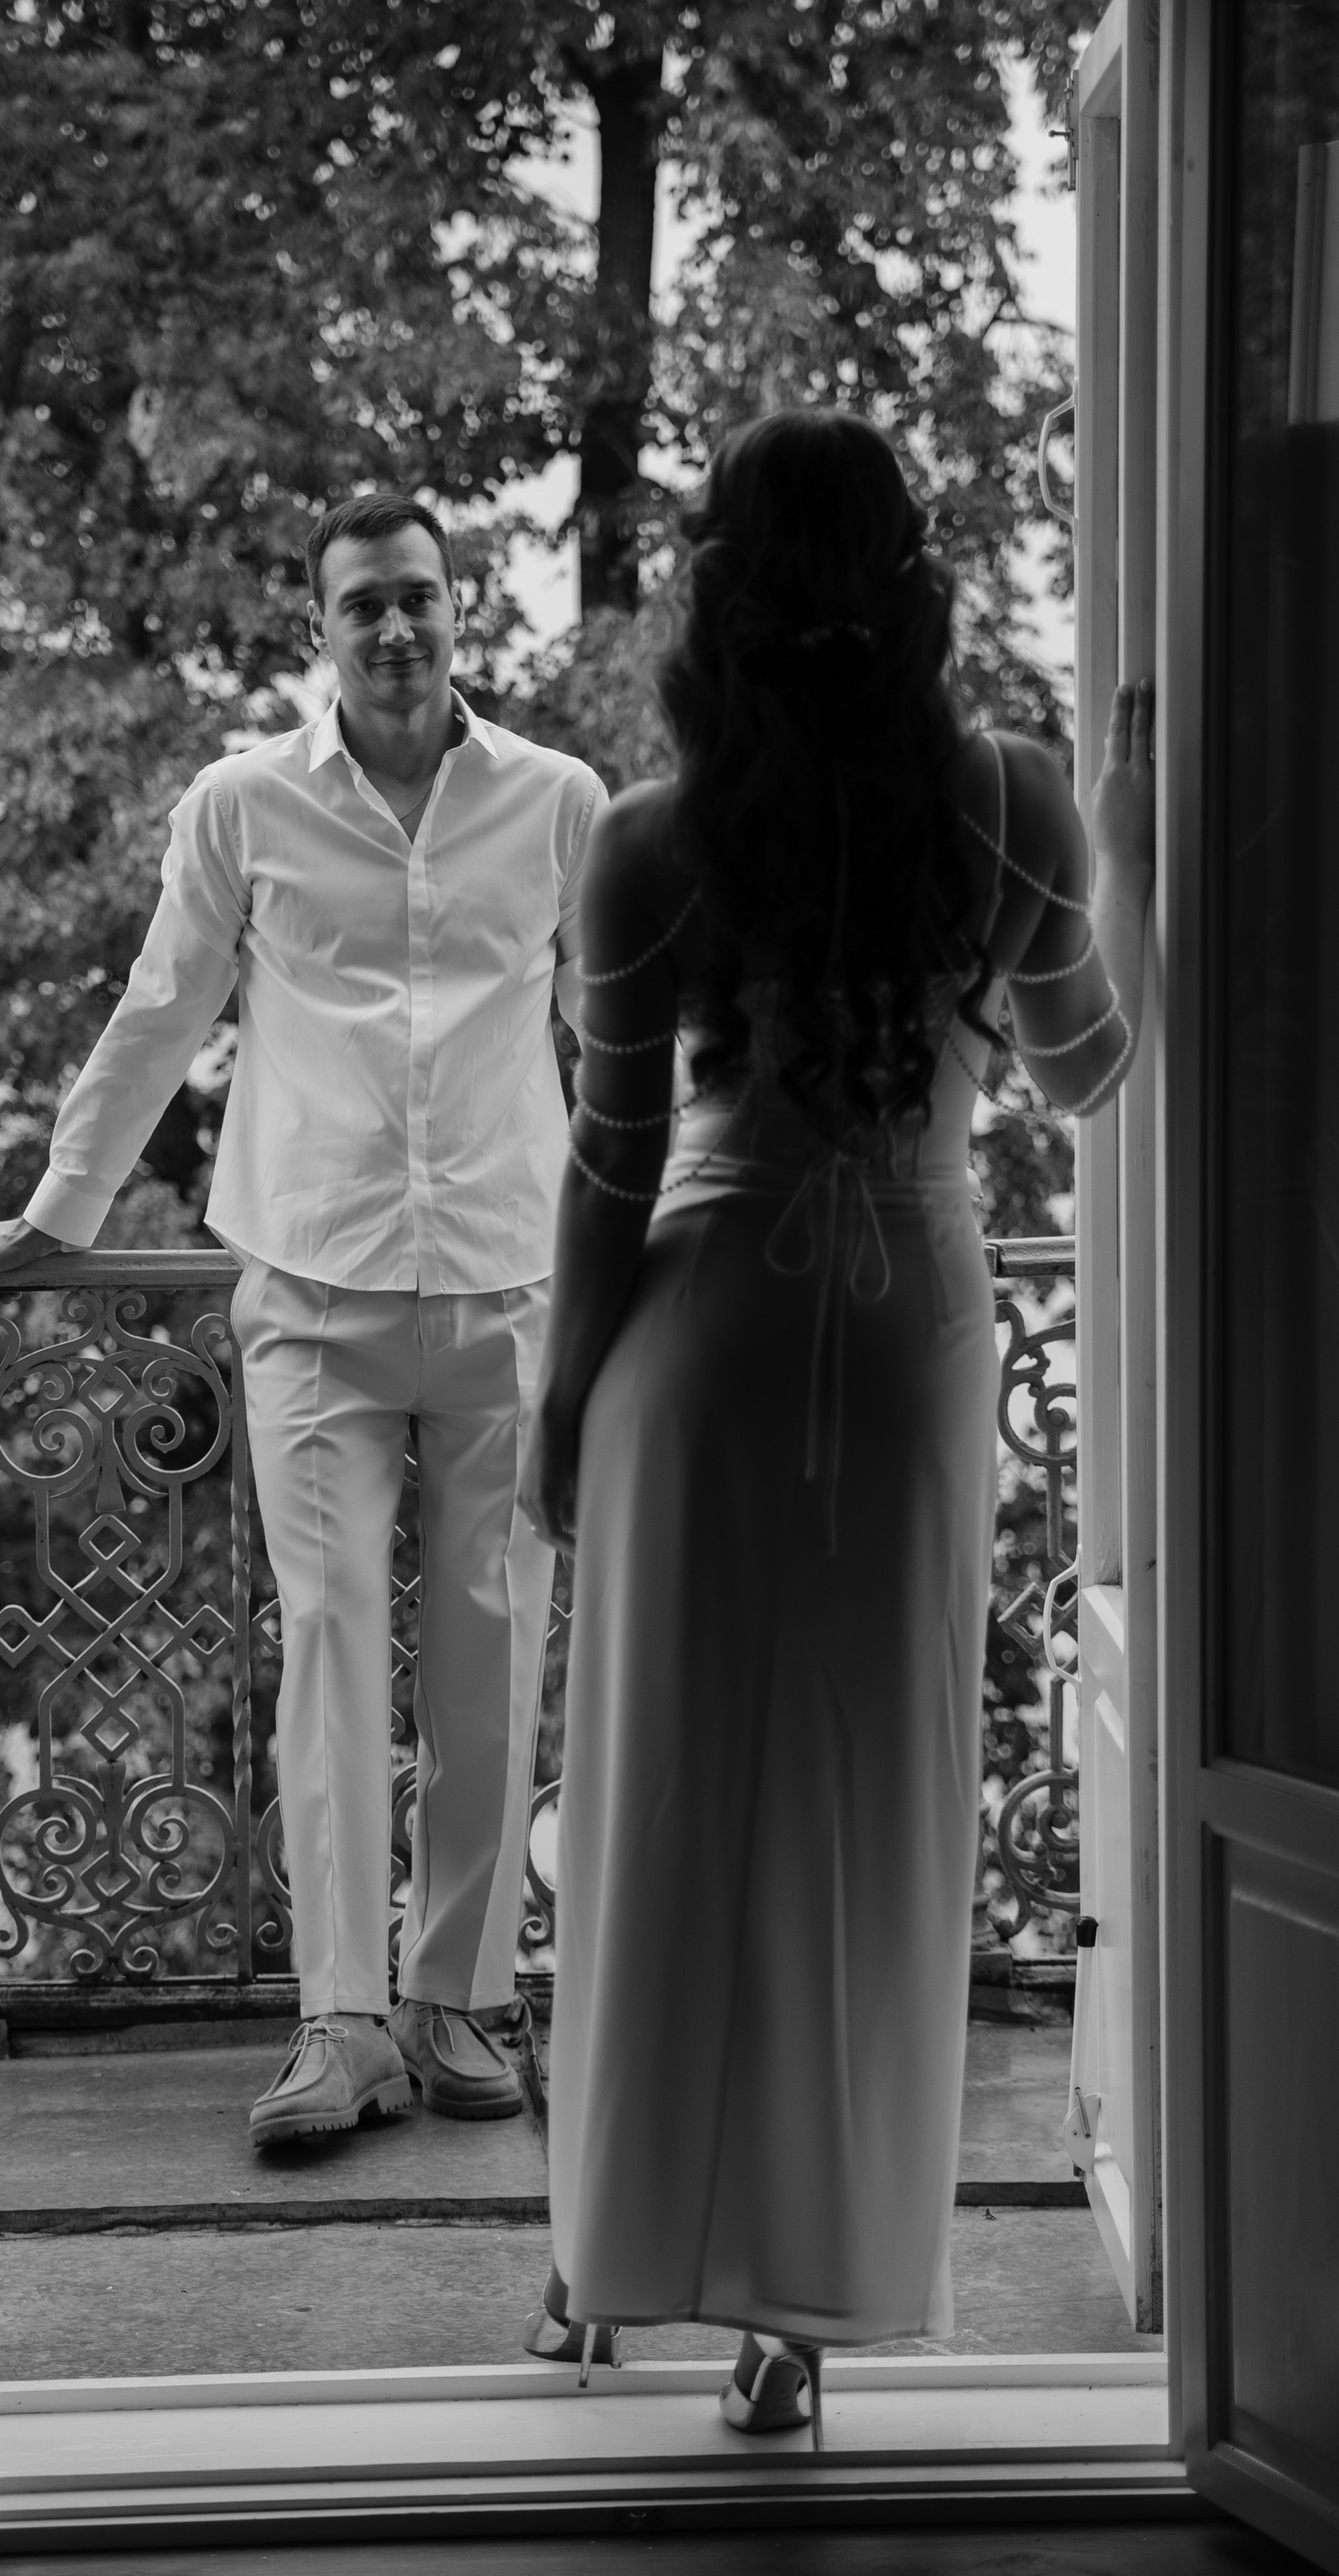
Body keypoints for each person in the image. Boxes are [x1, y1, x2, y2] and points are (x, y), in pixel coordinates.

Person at [516, 412, 1156, 2439]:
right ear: (912, 577)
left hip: (698, 1341)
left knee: (658, 1797)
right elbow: (1092, 1073)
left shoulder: (649, 837)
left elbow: (612, 1164)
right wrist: (1133, 848)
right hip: (909, 1334)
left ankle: (603, 2252)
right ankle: (798, 2322)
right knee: (868, 1813)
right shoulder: (1012, 805)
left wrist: (559, 1400)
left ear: (718, 582)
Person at [0, 494, 606, 2146]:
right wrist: (58, 1212)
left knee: (492, 1654)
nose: (394, 627)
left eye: (418, 596)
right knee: (325, 1647)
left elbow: (618, 1039)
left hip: (510, 1287)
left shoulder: (559, 801)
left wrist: (659, 1242)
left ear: (459, 609)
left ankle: (459, 2000)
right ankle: (342, 2024)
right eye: (362, 606)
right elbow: (160, 1008)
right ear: (318, 629)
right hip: (314, 1293)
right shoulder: (240, 802)